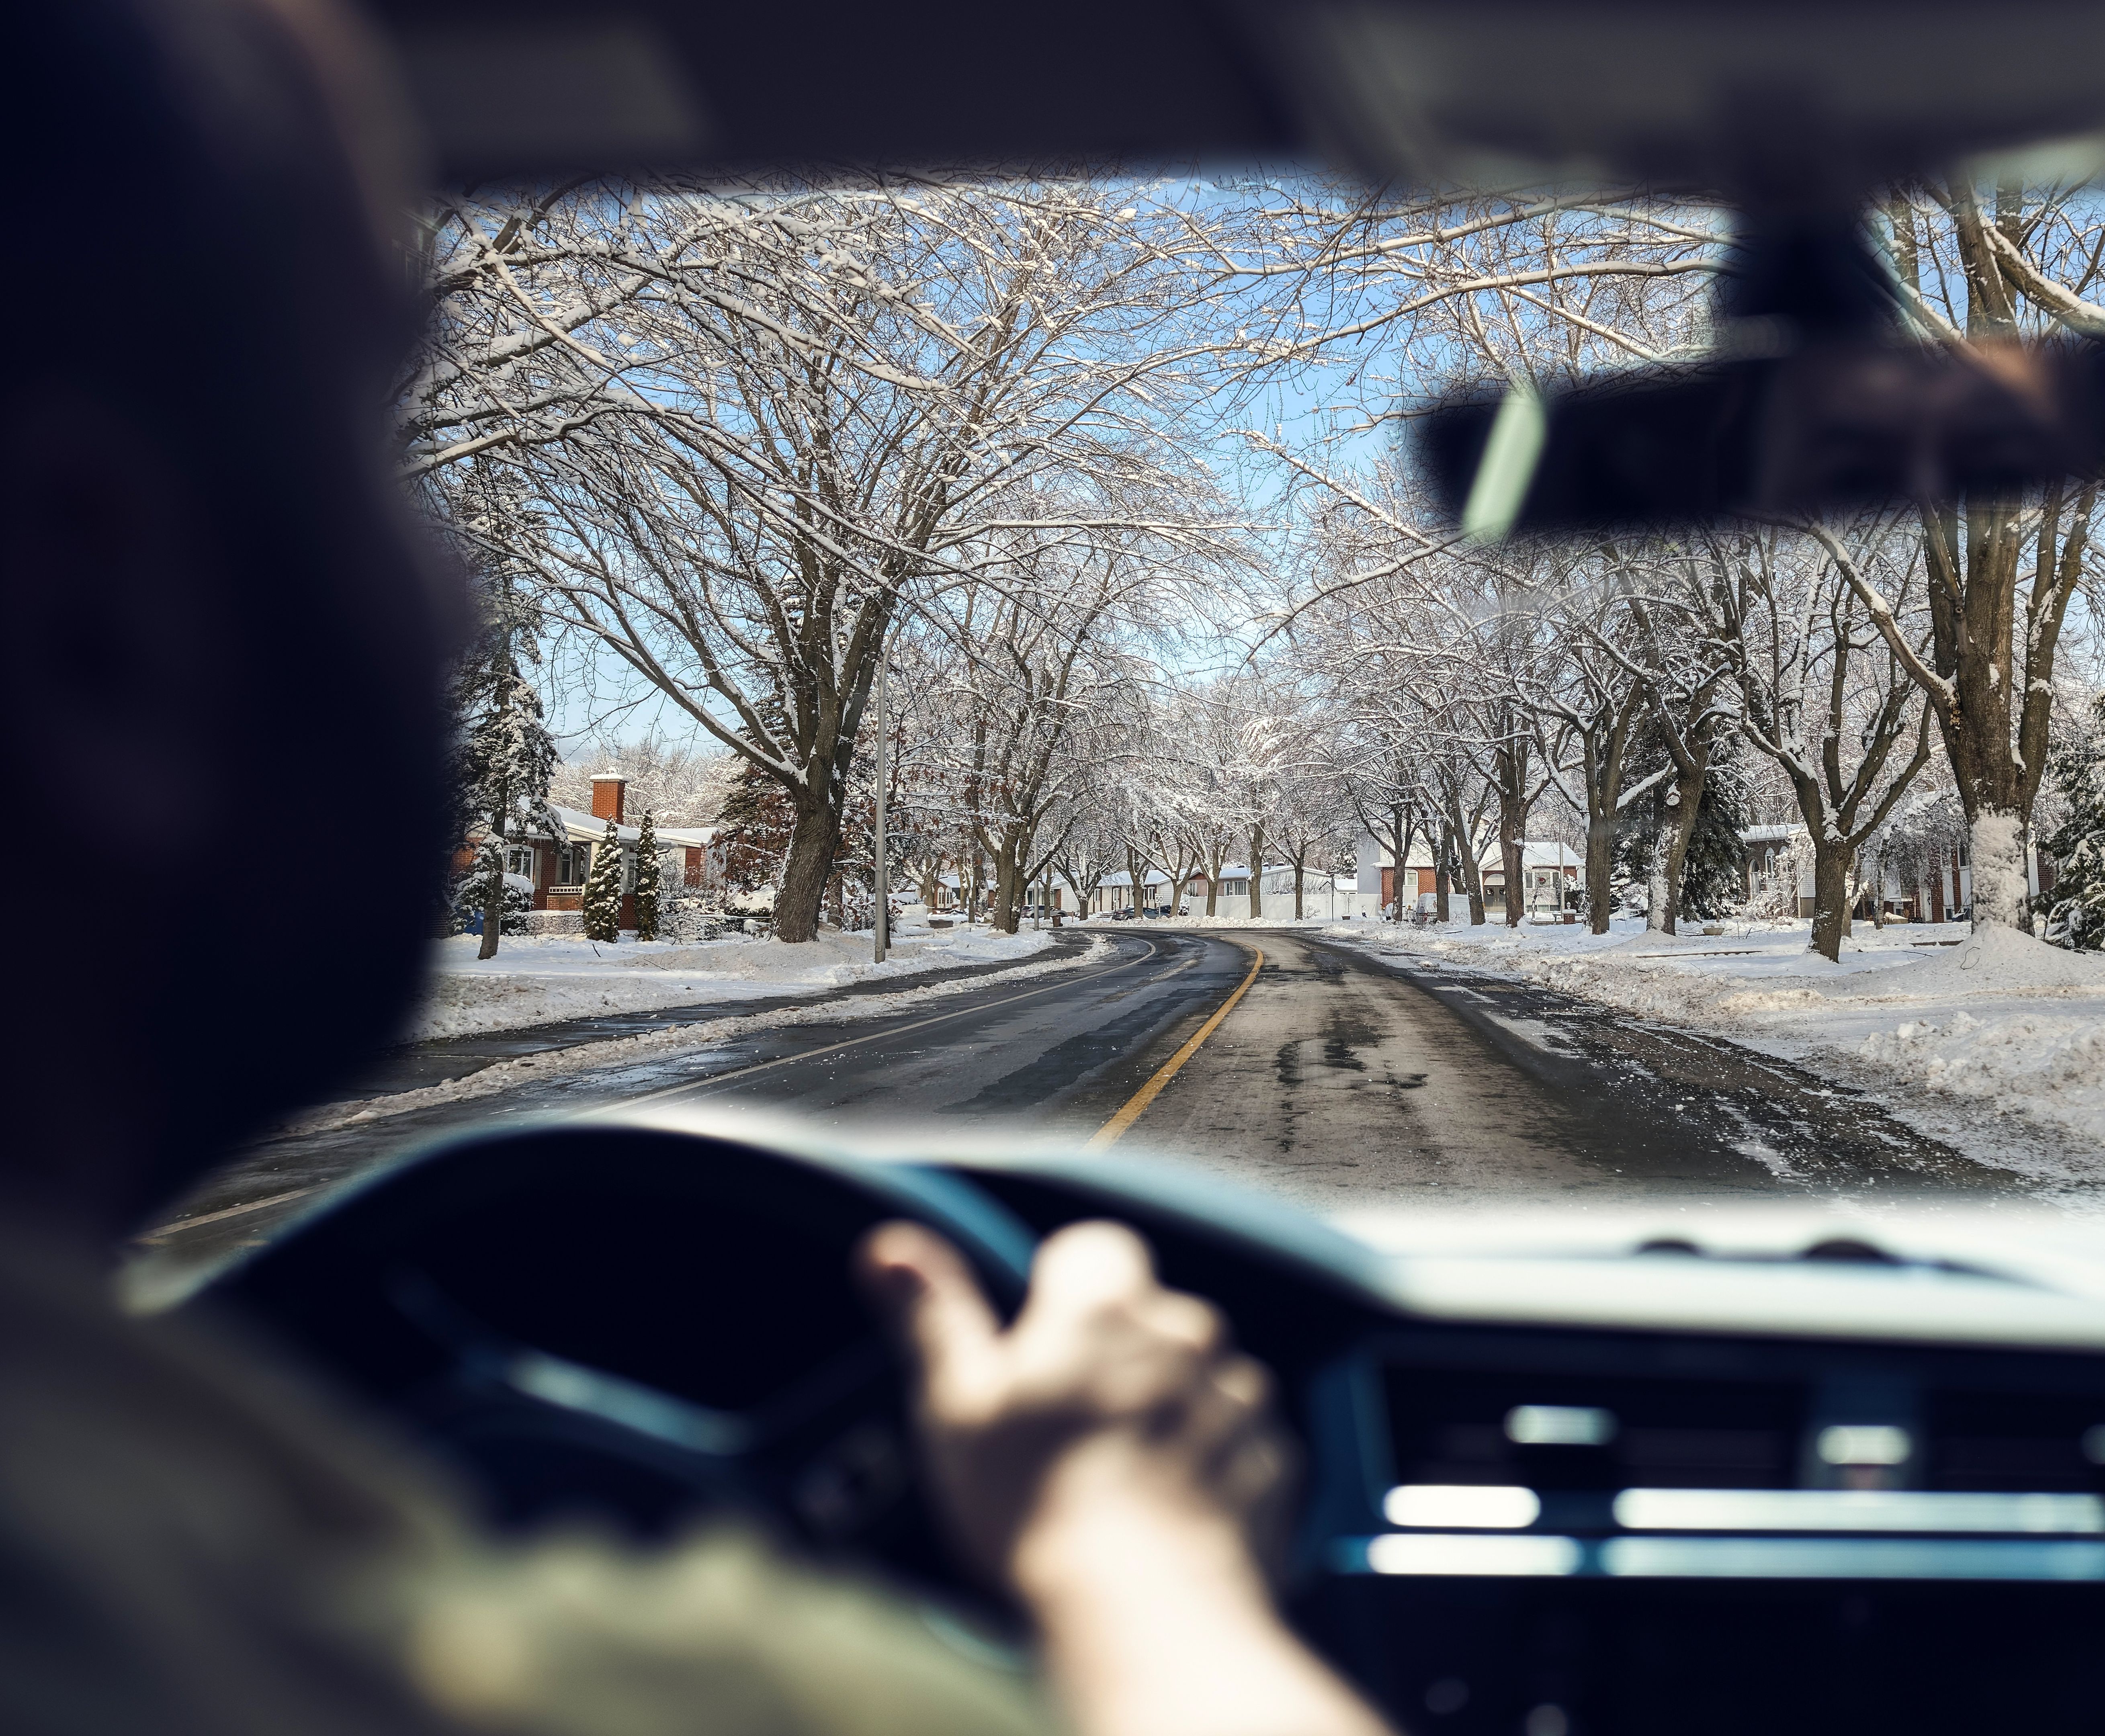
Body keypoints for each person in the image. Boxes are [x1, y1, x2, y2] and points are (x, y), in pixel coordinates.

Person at [0, 4, 1397, 1736]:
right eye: (373, 432)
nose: (459, 606)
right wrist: (1132, 1564)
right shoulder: (350, 1671)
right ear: (88, 611)